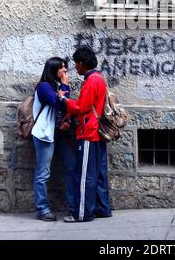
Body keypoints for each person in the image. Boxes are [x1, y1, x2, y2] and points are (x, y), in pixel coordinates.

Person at [58, 46, 112, 222]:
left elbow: (82, 107)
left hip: (89, 133)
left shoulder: (91, 81)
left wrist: (64, 100)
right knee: (98, 173)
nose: (75, 68)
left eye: (76, 64)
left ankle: (82, 214)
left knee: (84, 176)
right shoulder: (99, 78)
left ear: (81, 64)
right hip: (97, 132)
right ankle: (102, 208)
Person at [32, 57, 76, 221]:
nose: (65, 71)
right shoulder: (43, 87)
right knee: (43, 173)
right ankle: (42, 209)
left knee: (71, 166)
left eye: (65, 68)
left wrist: (62, 92)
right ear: (52, 70)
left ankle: (73, 207)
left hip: (59, 133)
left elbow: (67, 103)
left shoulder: (57, 86)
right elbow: (59, 104)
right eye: (62, 68)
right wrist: (64, 88)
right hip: (44, 135)